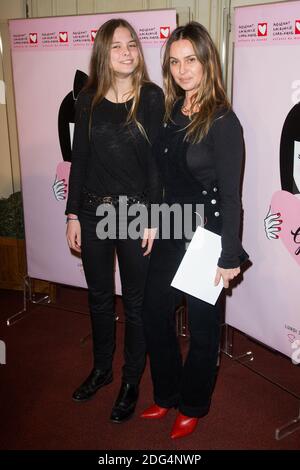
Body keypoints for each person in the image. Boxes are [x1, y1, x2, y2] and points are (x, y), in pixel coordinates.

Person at [141, 22, 249, 439]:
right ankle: (166, 394)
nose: (183, 70)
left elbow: (232, 197)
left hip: (208, 236)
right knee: (153, 314)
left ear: (207, 61)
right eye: (174, 62)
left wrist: (228, 257)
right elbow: (161, 176)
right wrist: (151, 217)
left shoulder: (224, 121)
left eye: (191, 60)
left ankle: (192, 404)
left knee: (203, 328)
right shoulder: (169, 113)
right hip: (171, 227)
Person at [65, 18, 164, 423]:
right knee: (100, 298)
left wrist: (154, 217)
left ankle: (130, 380)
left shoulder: (152, 97)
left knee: (136, 304)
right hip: (92, 213)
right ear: (104, 53)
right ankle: (102, 370)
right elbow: (80, 161)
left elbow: (158, 164)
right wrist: (72, 213)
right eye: (117, 46)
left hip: (135, 214)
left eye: (132, 45)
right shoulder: (87, 99)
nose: (126, 52)